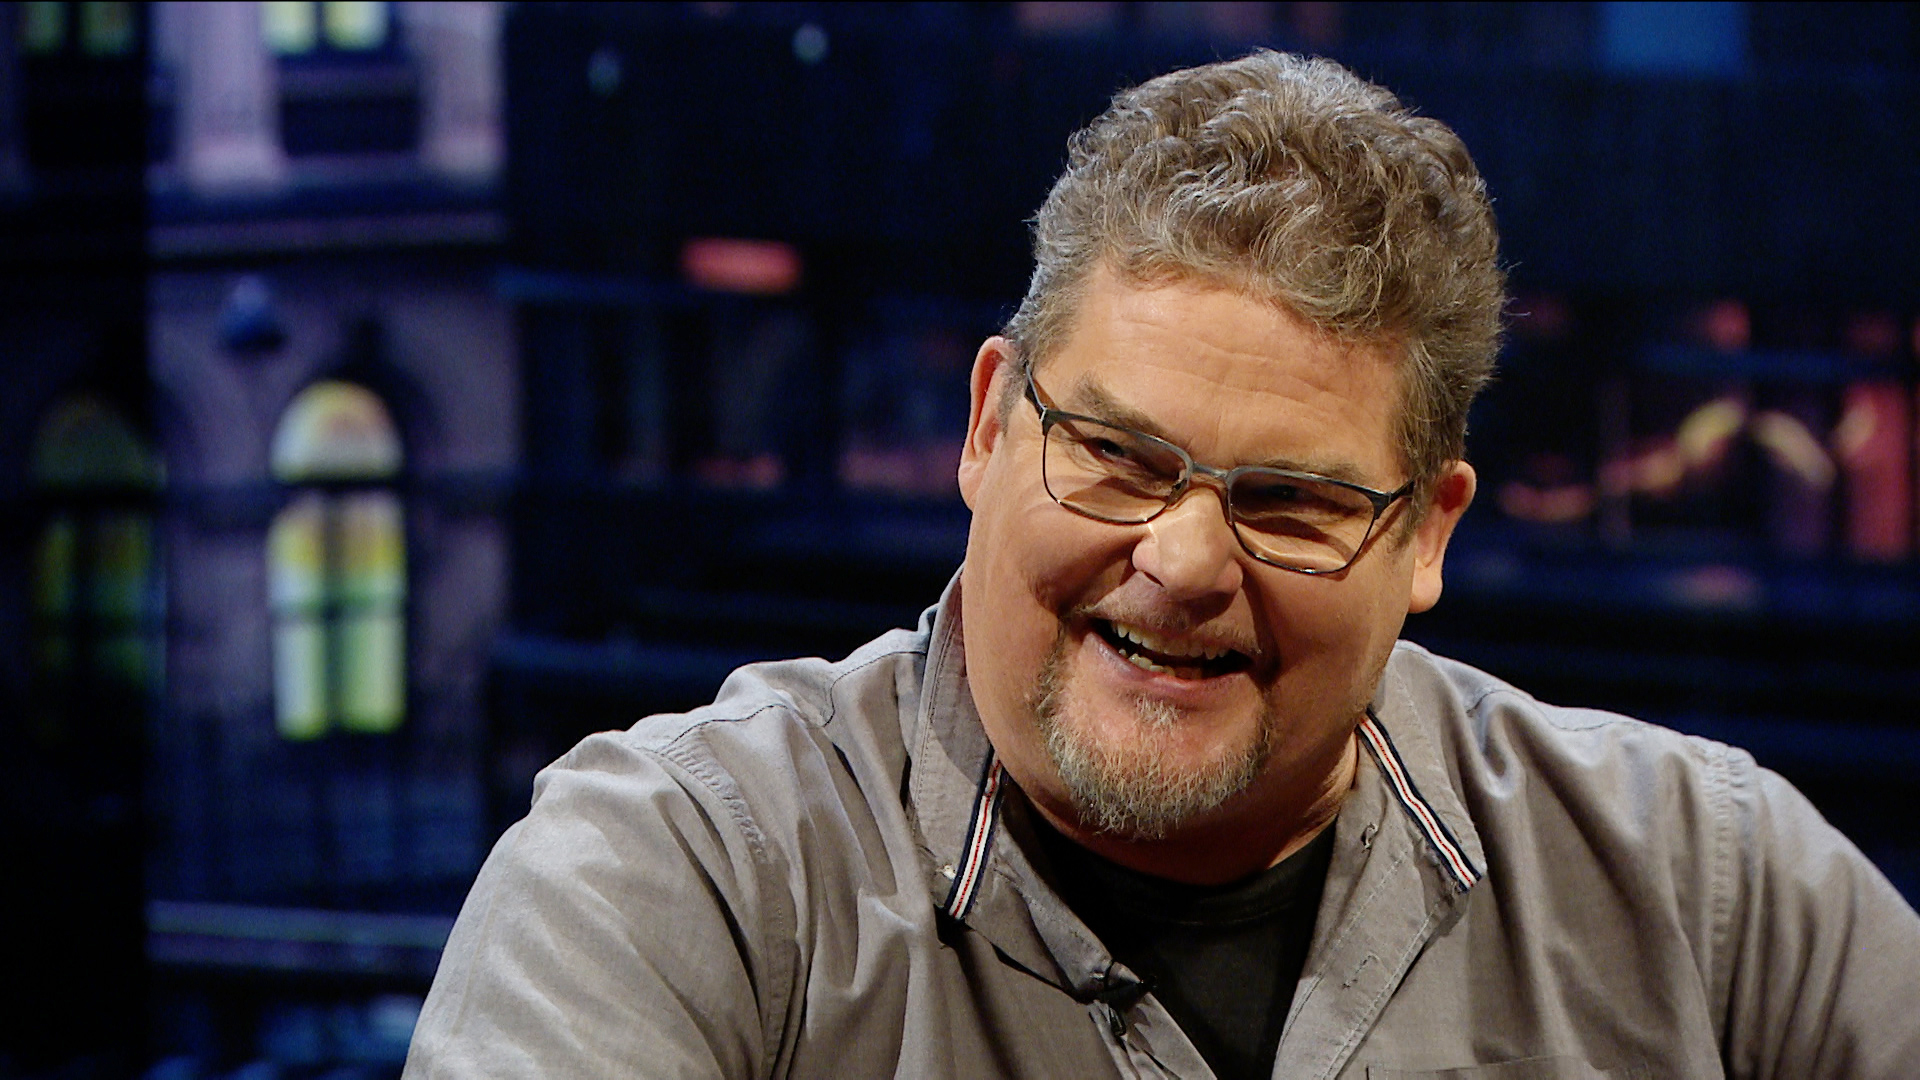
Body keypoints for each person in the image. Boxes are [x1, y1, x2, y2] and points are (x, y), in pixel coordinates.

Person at [405, 51, 1920, 1079]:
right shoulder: (680, 884)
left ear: (1427, 535)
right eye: (1118, 457)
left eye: (1293, 501)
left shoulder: (1716, 894)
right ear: (989, 426)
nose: (1184, 561)